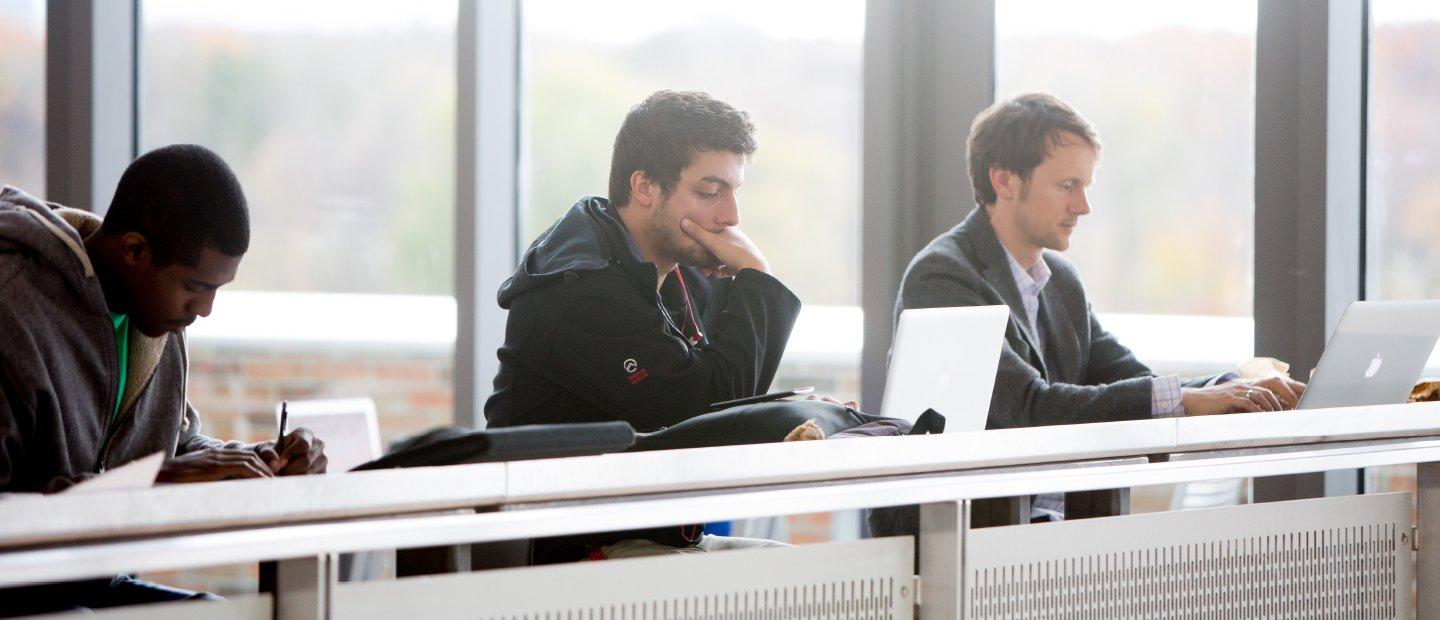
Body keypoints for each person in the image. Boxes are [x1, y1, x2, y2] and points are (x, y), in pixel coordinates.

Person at [893, 93, 1306, 520]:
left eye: (1085, 187)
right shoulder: (943, 277)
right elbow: (1028, 409)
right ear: (1004, 181)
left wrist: (1232, 389)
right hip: (962, 535)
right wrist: (1195, 398)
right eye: (1067, 186)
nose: (1083, 207)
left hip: (1055, 527)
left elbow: (1136, 382)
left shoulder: (1061, 282)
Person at [486, 90, 834, 558]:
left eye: (734, 192)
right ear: (645, 186)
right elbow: (706, 404)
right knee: (789, 584)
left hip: (648, 534)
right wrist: (756, 277)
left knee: (805, 575)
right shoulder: (582, 289)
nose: (731, 217)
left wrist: (736, 288)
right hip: (566, 551)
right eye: (710, 192)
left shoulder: (674, 276)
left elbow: (721, 385)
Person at [0, 144, 326, 611]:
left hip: (85, 584)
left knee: (215, 612)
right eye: (195, 287)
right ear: (135, 250)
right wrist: (153, 482)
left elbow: (173, 449)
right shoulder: (13, 303)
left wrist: (251, 461)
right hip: (20, 593)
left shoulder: (154, 315)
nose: (206, 310)